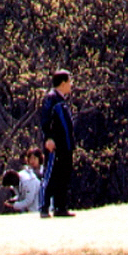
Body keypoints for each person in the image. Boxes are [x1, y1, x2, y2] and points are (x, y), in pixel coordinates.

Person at [40, 70, 76, 218]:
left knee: (63, 175)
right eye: (69, 82)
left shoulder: (62, 100)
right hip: (55, 145)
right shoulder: (51, 98)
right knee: (51, 175)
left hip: (65, 146)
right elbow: (45, 119)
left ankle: (60, 207)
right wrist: (48, 137)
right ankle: (44, 207)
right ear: (62, 83)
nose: (71, 85)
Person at [12, 148, 43, 213]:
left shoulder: (44, 171)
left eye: (34, 158)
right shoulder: (26, 173)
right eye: (30, 159)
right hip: (30, 207)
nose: (32, 161)